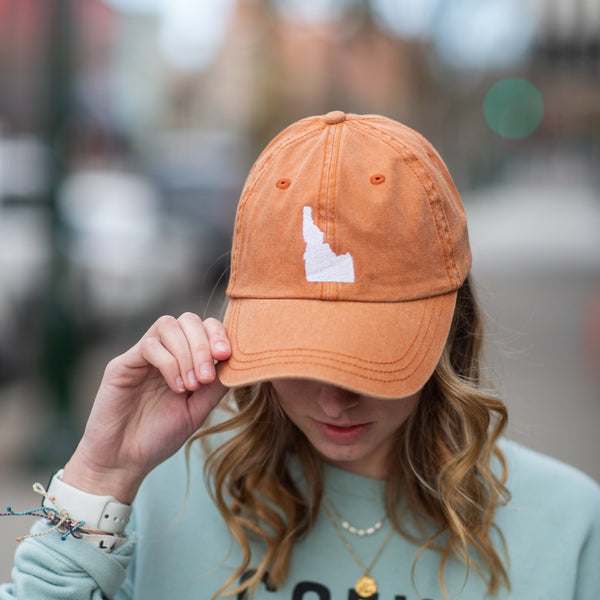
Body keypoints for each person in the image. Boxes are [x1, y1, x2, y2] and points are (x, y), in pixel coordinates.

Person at [1, 111, 599, 600]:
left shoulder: (569, 525)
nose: (335, 398)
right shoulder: (159, 500)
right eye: (302, 355)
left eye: (372, 355)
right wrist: (100, 477)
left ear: (451, 327)